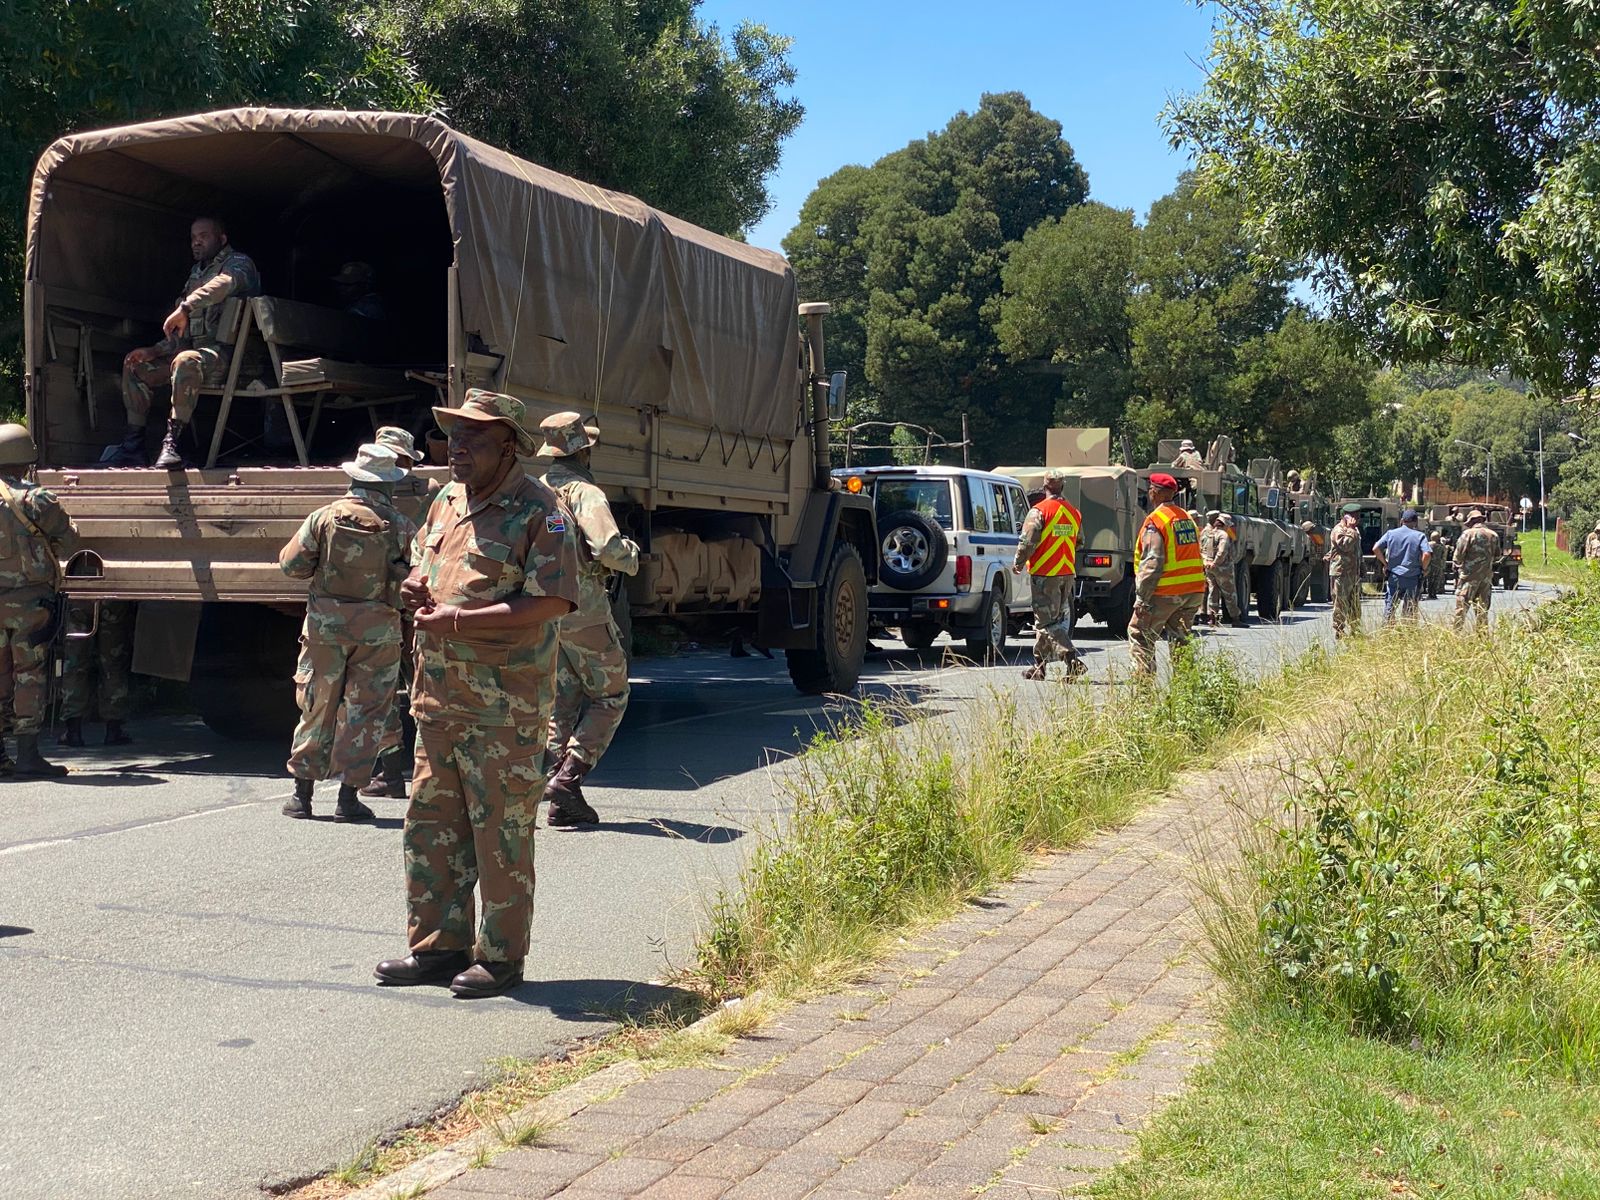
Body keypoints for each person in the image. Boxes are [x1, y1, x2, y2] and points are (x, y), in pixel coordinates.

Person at [375, 389, 579, 1000]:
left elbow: (552, 601)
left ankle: (501, 957)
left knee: (501, 836)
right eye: (454, 436)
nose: (456, 448)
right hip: (438, 699)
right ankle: (438, 948)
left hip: (502, 709)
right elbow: (424, 558)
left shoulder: (542, 511)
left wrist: (459, 620)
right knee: (431, 827)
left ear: (509, 447)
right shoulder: (447, 499)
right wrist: (416, 584)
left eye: (474, 439)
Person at [278, 443, 415, 822]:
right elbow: (419, 576)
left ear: (355, 477)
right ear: (388, 483)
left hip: (325, 629)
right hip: (378, 632)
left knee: (317, 704)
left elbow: (291, 566)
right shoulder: (402, 526)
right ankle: (348, 798)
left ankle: (301, 796)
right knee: (367, 710)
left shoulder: (323, 517)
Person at [537, 411, 642, 823]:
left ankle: (555, 796)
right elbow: (608, 549)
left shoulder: (535, 491)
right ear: (584, 451)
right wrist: (631, 555)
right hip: (585, 611)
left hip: (545, 611)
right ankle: (569, 778)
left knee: (560, 702)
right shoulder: (585, 493)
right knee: (612, 695)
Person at [109, 216, 261, 469]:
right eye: (193, 238)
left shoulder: (239, 264)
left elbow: (223, 284)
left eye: (204, 236)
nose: (196, 242)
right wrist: (155, 350)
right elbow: (183, 334)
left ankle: (173, 445)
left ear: (222, 239)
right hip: (199, 355)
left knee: (185, 360)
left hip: (234, 358)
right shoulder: (196, 274)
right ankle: (133, 446)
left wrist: (186, 306)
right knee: (135, 364)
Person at [356, 425, 442, 800]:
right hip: (420, 603)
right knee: (426, 688)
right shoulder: (432, 489)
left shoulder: (365, 493)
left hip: (383, 606)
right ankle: (431, 771)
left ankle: (391, 772)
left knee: (386, 690)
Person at [0, 423, 78, 777]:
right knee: (28, 674)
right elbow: (70, 540)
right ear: (26, 460)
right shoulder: (37, 499)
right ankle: (28, 755)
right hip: (29, 603)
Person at [1128, 473, 1206, 676]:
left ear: (1156, 493)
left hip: (1166, 591)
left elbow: (1152, 563)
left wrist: (1142, 599)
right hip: (1193, 591)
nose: (1149, 493)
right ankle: (1186, 688)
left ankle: (1144, 690)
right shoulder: (1186, 517)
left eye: (1150, 489)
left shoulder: (1156, 521)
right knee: (1181, 641)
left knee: (1140, 635)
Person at [1012, 467, 1086, 681]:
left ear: (1045, 486)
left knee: (1046, 622)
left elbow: (1027, 542)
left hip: (1046, 574)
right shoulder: (1073, 512)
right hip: (1067, 573)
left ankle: (1072, 660)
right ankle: (1040, 667)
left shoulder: (1039, 511)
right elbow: (1080, 541)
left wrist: (1018, 562)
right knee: (1050, 621)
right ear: (1062, 486)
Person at [58, 601, 134, 747]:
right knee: (113, 664)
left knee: (74, 664)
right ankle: (113, 729)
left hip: (79, 597)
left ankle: (73, 731)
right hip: (112, 598)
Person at [1373, 507, 1431, 624]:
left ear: (1401, 520)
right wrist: (1423, 569)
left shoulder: (1390, 534)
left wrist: (1385, 564)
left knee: (1390, 607)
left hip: (1394, 575)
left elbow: (1376, 548)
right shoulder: (1420, 536)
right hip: (1412, 577)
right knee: (1409, 609)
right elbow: (1427, 554)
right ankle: (1408, 630)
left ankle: (1387, 630)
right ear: (1415, 522)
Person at [1452, 509, 1500, 631]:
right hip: (1486, 578)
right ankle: (1482, 636)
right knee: (1482, 610)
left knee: (1461, 608)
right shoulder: (1493, 535)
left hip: (1469, 577)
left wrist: (1457, 565)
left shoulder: (1467, 534)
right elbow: (1497, 556)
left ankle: (1455, 634)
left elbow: (1458, 556)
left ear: (1472, 521)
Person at [1325, 503, 1363, 639]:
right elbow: (1345, 546)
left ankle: (1355, 630)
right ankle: (1339, 631)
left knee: (1355, 603)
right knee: (1340, 603)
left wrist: (1362, 567)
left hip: (1353, 573)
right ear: (1347, 517)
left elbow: (1357, 551)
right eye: (1355, 517)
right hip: (1341, 573)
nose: (1357, 520)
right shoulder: (1339, 530)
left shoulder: (1354, 530)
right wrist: (1351, 529)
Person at [1199, 510, 1239, 626]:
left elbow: (1201, 549)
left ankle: (1212, 618)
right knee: (1230, 593)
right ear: (1225, 524)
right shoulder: (1223, 535)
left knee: (1213, 591)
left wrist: (1207, 562)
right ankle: (1235, 618)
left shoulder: (1209, 533)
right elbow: (1222, 551)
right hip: (1223, 568)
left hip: (1209, 567)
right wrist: (1216, 563)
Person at [1424, 530, 1446, 598]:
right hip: (1438, 565)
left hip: (1429, 564)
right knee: (1436, 580)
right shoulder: (1442, 546)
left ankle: (1429, 593)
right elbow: (1443, 556)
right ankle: (1434, 593)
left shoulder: (1428, 544)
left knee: (1429, 579)